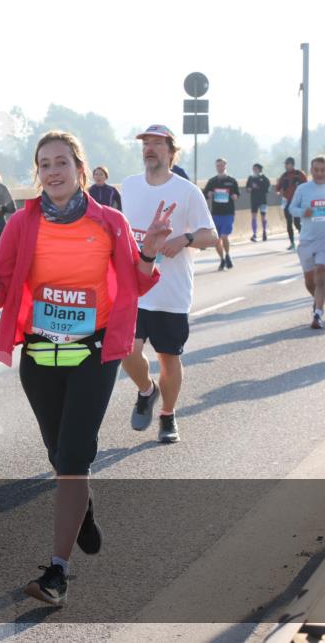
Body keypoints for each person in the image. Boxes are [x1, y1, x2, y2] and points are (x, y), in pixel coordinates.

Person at [0, 130, 172, 607]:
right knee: (63, 460)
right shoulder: (23, 223)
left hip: (93, 354)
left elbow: (137, 286)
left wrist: (151, 251)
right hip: (40, 356)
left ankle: (57, 573)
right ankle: (83, 508)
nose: (53, 171)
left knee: (73, 460)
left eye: (61, 162)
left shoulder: (110, 222)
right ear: (37, 174)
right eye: (44, 164)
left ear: (80, 169)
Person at [121, 125, 218, 444]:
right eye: (145, 143)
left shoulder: (187, 191)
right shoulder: (130, 186)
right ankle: (147, 391)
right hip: (135, 290)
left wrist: (185, 239)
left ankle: (168, 415)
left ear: (172, 152)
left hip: (171, 294)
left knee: (168, 358)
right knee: (127, 351)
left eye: (157, 144)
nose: (150, 148)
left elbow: (211, 236)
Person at [288, 155, 325, 329]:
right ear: (311, 171)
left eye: (323, 170)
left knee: (321, 274)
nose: (319, 173)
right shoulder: (303, 189)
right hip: (307, 239)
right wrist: (304, 212)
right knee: (309, 281)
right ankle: (317, 300)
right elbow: (292, 208)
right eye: (316, 170)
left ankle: (318, 313)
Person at [204, 158, 240, 270]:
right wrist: (209, 194)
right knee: (216, 239)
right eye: (217, 166)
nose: (219, 168)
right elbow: (205, 194)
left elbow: (237, 194)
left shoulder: (232, 181)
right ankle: (222, 259)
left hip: (228, 213)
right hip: (216, 213)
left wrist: (234, 196)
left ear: (225, 166)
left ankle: (228, 254)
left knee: (224, 236)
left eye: (221, 165)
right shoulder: (212, 181)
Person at [276, 157, 308, 251]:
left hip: (298, 201)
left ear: (291, 164)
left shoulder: (299, 174)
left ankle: (304, 240)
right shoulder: (284, 176)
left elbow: (307, 186)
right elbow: (277, 188)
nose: (285, 166)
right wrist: (279, 191)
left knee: (297, 222)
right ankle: (292, 243)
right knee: (289, 223)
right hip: (288, 201)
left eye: (287, 164)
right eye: (285, 164)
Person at [246, 162, 271, 242]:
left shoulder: (264, 178)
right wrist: (249, 189)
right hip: (254, 199)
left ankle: (264, 231)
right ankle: (254, 234)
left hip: (263, 200)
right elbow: (247, 188)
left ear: (259, 169)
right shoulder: (250, 178)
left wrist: (258, 187)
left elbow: (268, 189)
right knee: (254, 216)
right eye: (253, 169)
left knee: (263, 216)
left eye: (255, 169)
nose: (254, 170)